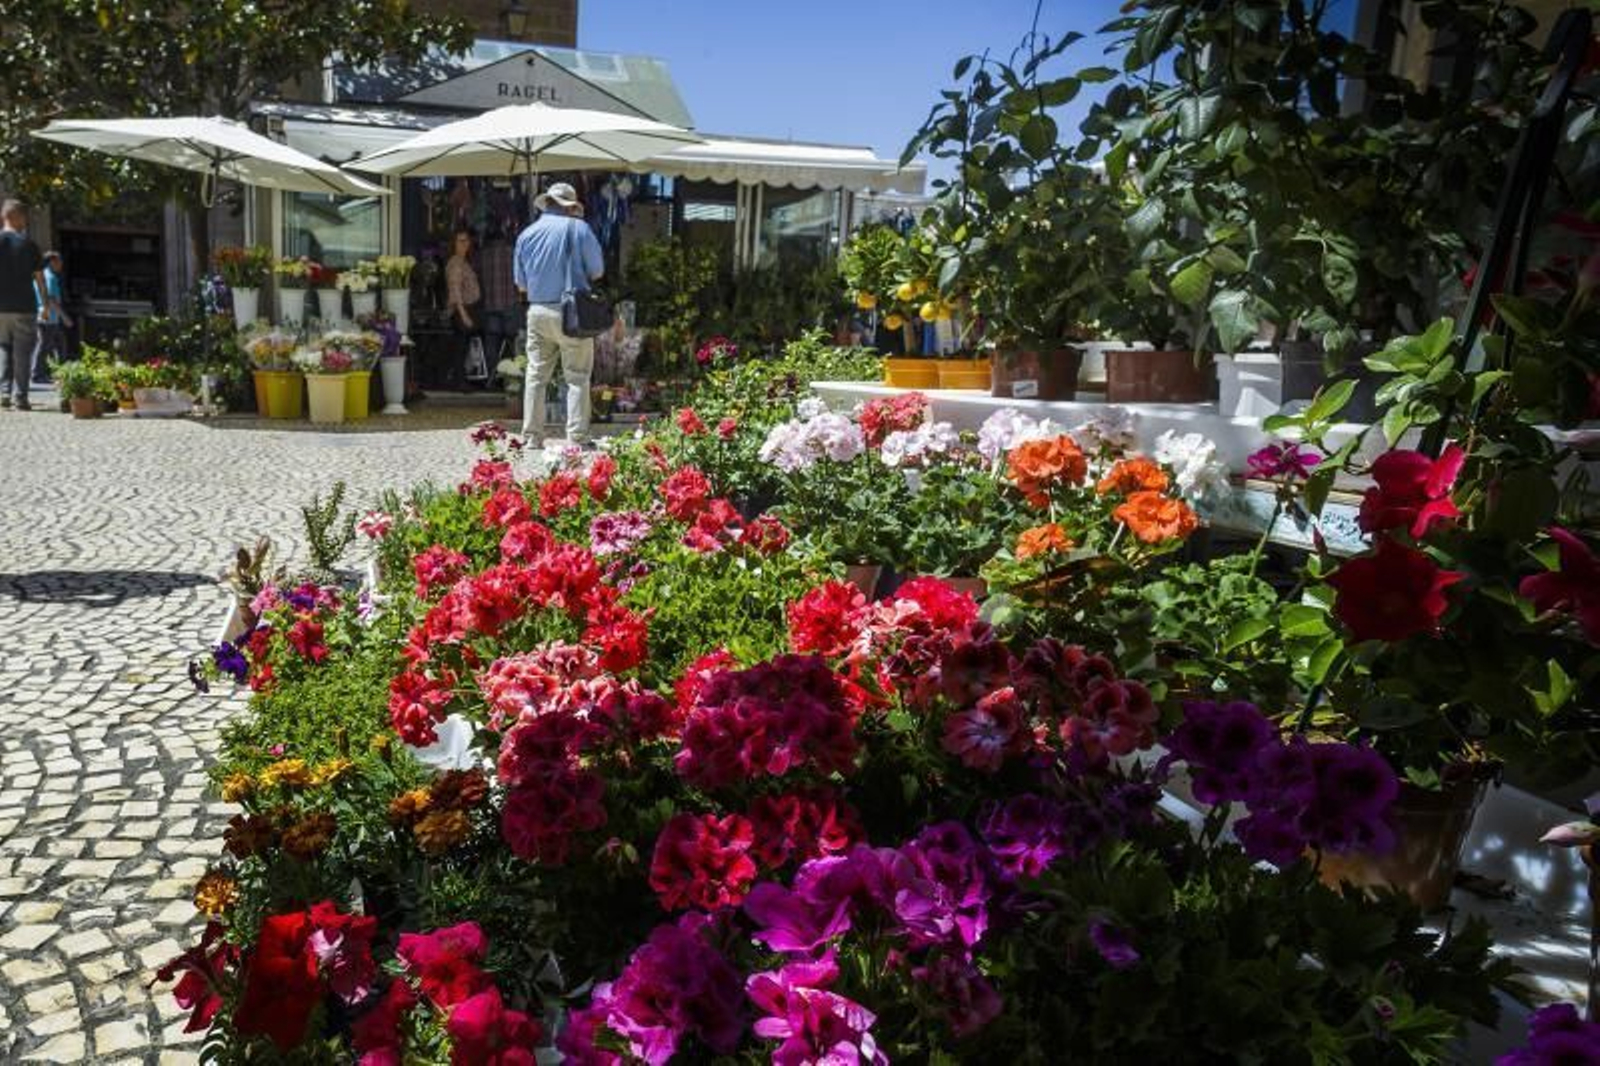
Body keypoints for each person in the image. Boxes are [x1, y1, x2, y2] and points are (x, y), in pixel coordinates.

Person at [514, 182, 603, 446]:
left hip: (537, 311)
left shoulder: (526, 234)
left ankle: (532, 437)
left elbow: (521, 285)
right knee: (577, 376)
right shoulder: (579, 229)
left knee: (536, 375)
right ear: (571, 206)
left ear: (548, 203)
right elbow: (597, 271)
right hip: (572, 312)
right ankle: (576, 438)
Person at [0, 199, 44, 411]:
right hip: (24, 305)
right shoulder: (29, 244)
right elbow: (39, 278)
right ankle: (21, 397)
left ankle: (4, 393)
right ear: (16, 216)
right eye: (25, 216)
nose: (26, 221)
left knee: (3, 347)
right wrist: (45, 304)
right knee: (23, 353)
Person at [445, 229, 482, 388]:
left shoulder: (464, 261)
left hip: (469, 307)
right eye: (460, 241)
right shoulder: (455, 263)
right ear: (453, 244)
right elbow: (455, 290)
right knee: (460, 347)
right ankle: (459, 381)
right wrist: (464, 314)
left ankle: (460, 379)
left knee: (463, 346)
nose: (464, 244)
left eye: (466, 240)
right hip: (462, 309)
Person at [33, 250, 70, 384]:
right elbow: (51, 298)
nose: (61, 265)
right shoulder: (50, 277)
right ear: (53, 262)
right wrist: (64, 316)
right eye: (60, 262)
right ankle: (37, 374)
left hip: (46, 316)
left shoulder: (44, 275)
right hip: (48, 317)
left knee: (57, 344)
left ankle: (57, 372)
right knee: (46, 346)